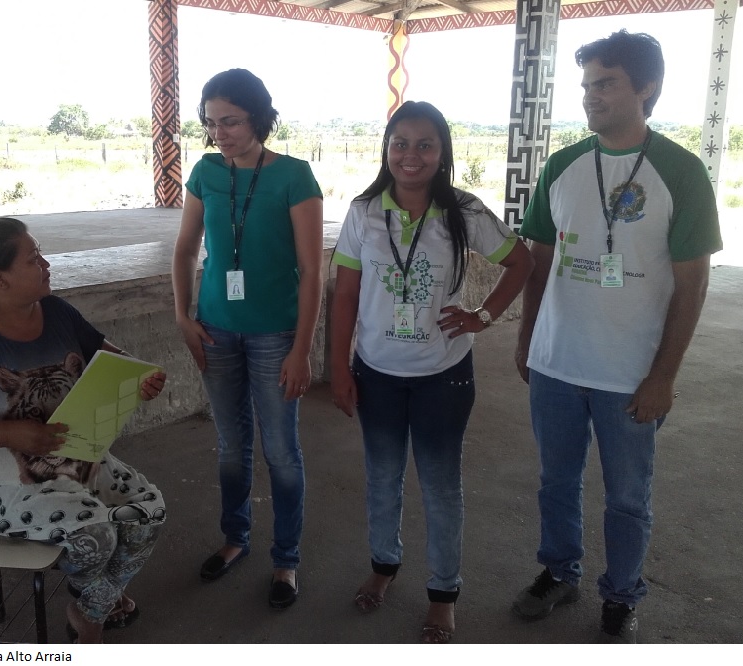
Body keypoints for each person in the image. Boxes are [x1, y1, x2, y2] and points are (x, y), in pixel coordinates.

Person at [512, 30, 723, 643]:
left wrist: (664, 376)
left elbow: (692, 285)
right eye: (586, 86)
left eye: (605, 83)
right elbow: (540, 258)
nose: (590, 97)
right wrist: (527, 338)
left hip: (630, 376)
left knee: (628, 496)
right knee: (556, 482)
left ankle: (621, 594)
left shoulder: (680, 172)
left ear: (646, 88)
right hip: (556, 366)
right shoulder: (562, 164)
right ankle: (558, 572)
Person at [0, 217, 168, 644]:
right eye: (33, 258)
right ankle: (94, 620)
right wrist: (10, 434)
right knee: (95, 533)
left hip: (77, 461)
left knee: (148, 512)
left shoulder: (57, 312)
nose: (46, 264)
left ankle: (88, 605)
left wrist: (140, 380)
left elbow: (113, 360)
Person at [330, 101, 533, 642]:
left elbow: (522, 263)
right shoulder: (363, 211)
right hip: (376, 373)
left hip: (443, 374)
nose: (410, 155)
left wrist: (482, 317)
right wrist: (338, 369)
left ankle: (443, 592)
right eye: (400, 142)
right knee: (382, 479)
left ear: (442, 153)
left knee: (441, 487)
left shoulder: (463, 211)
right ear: (386, 148)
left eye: (424, 144)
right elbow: (344, 293)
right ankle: (384, 565)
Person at [171, 68, 323, 609]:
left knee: (281, 451)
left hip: (274, 335)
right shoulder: (206, 171)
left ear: (259, 117)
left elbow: (311, 270)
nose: (220, 133)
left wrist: (302, 349)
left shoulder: (294, 177)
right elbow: (186, 249)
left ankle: (286, 559)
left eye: (231, 121)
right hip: (215, 329)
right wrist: (183, 315)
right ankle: (235, 538)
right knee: (232, 447)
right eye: (212, 123)